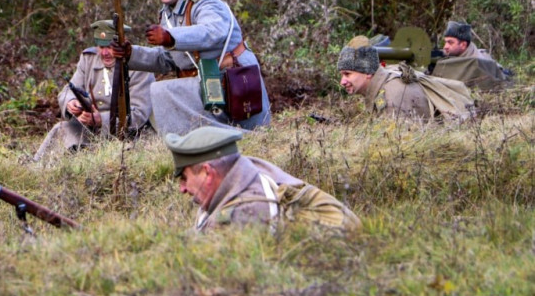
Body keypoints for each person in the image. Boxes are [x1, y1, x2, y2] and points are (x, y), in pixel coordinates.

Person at [111, 0, 270, 137]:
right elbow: (169, 60)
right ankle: (199, 143)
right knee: (161, 92)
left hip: (234, 82)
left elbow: (213, 31)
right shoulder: (168, 13)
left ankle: (232, 138)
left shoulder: (205, 2)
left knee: (162, 91)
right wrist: (131, 54)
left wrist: (170, 37)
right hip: (210, 87)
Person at [165, 127, 361, 232]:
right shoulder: (245, 169)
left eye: (184, 178)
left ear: (208, 173)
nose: (182, 188)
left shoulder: (242, 212)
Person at [33, 19, 154, 161]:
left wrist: (101, 119)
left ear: (123, 44)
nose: (105, 53)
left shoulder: (140, 68)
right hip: (93, 132)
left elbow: (139, 114)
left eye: (110, 47)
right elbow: (69, 90)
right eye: (101, 47)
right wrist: (71, 103)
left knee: (122, 156)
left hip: (130, 136)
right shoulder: (89, 59)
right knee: (61, 129)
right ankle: (36, 165)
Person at [338, 36, 474, 121]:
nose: (342, 82)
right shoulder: (384, 81)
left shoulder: (392, 96)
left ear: (368, 72)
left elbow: (397, 145)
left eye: (347, 74)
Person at [430, 20, 511, 91]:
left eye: (450, 43)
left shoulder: (478, 61)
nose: (445, 46)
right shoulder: (452, 52)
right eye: (445, 42)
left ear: (463, 45)